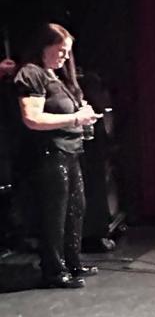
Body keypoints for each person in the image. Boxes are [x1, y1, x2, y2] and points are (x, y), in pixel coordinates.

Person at [14, 23, 101, 288]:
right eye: (61, 50)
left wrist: (82, 114)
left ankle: (72, 262)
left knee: (75, 209)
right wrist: (75, 118)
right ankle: (54, 270)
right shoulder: (32, 73)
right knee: (54, 215)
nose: (65, 56)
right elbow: (32, 118)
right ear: (44, 46)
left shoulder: (57, 76)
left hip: (70, 150)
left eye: (67, 52)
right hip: (50, 154)